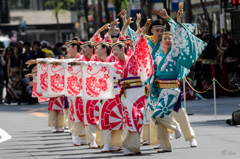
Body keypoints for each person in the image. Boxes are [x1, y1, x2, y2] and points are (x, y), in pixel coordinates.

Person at [146, 9, 207, 152]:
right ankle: (164, 143)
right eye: (159, 32)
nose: (163, 36)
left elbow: (180, 35)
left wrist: (173, 19)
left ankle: (190, 136)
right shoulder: (153, 49)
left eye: (166, 35)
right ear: (153, 32)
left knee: (180, 113)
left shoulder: (175, 52)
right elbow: (149, 68)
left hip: (172, 88)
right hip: (158, 87)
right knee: (157, 115)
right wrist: (148, 82)